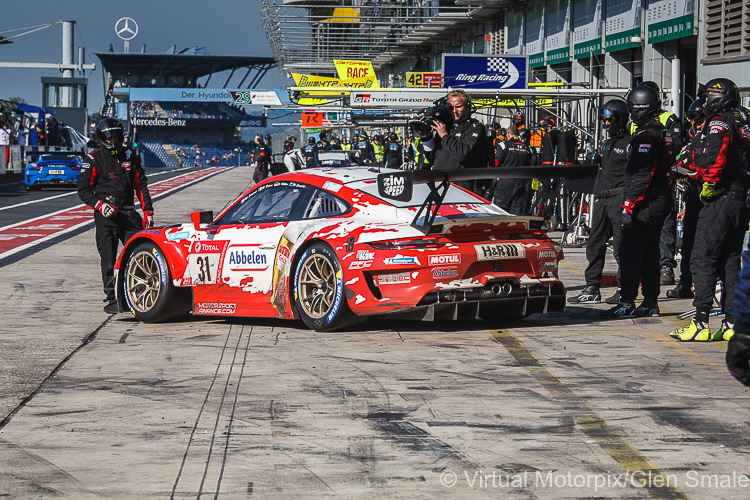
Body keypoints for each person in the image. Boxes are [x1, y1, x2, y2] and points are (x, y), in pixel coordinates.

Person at [670, 78, 750, 341]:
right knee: (730, 261)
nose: (704, 103)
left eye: (707, 98)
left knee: (701, 258)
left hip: (721, 199)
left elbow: (716, 159)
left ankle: (700, 323)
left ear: (718, 97)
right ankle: (731, 323)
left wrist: (709, 184)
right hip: (741, 199)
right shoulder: (745, 118)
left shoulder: (720, 122)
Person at [601, 85, 673, 319]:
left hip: (646, 203)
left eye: (632, 108)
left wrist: (629, 206)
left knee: (629, 251)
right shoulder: (661, 132)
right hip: (660, 199)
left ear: (639, 108)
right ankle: (650, 300)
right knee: (650, 253)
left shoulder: (646, 137)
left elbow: (642, 174)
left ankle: (627, 300)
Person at [77, 118, 153, 314]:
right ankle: (112, 298)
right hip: (106, 217)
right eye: (109, 137)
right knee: (108, 259)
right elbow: (83, 190)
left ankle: (139, 292)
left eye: (117, 137)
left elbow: (141, 185)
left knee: (139, 253)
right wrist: (100, 206)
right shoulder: (93, 158)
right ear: (102, 138)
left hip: (129, 214)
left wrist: (148, 212)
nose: (113, 141)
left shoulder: (131, 156)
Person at [569, 99, 631, 305]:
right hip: (603, 197)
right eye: (604, 120)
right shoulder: (606, 143)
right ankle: (592, 287)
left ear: (621, 120)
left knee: (622, 248)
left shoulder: (630, 143)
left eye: (610, 119)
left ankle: (625, 289)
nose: (606, 124)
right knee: (594, 243)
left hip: (621, 197)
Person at [667, 98, 706, 299]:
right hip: (693, 197)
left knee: (705, 248)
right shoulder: (694, 141)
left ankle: (704, 289)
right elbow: (682, 161)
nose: (697, 125)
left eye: (701, 120)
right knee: (688, 244)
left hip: (712, 201)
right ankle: (685, 284)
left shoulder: (716, 138)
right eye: (694, 121)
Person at [424, 89, 486, 179]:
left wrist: (445, 136)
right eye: (450, 107)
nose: (454, 110)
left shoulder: (475, 127)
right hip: (439, 182)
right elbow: (431, 158)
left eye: (458, 106)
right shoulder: (445, 126)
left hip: (461, 184)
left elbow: (462, 155)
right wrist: (427, 137)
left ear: (467, 106)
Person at [492, 124, 532, 214]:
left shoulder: (503, 145)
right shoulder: (527, 148)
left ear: (508, 134)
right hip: (521, 184)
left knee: (500, 212)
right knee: (516, 213)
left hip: (505, 183)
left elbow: (496, 162)